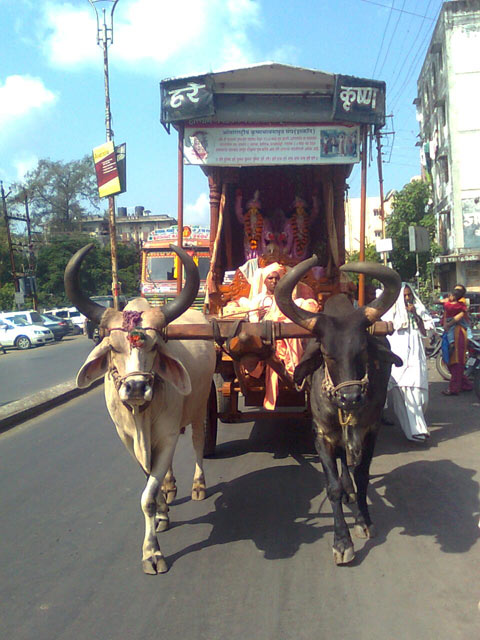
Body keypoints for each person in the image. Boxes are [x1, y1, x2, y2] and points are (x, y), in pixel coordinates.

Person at [382, 283, 435, 443]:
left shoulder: (418, 310)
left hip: (416, 358)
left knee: (420, 396)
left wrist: (415, 315)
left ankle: (417, 426)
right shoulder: (390, 314)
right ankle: (416, 431)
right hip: (399, 359)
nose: (407, 299)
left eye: (409, 295)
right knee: (403, 393)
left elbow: (427, 331)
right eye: (404, 296)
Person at [440, 284, 473, 395]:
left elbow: (459, 316)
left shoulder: (461, 304)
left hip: (458, 333)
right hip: (448, 332)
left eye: (458, 290)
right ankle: (465, 384)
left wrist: (448, 324)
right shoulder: (450, 303)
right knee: (449, 359)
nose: (455, 292)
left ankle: (454, 388)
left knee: (457, 361)